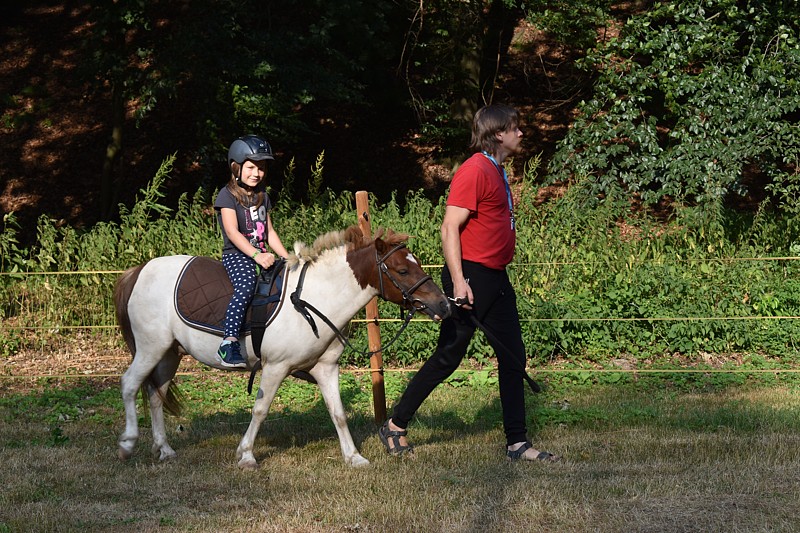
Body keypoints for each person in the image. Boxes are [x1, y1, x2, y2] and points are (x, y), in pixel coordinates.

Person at [379, 104, 560, 462]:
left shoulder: (497, 170)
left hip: (496, 277)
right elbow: (449, 227)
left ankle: (517, 443)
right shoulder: (475, 169)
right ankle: (396, 424)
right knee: (449, 356)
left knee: (513, 356)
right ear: (497, 134)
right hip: (472, 277)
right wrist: (460, 282)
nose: (520, 133)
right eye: (515, 128)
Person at [213, 134, 289, 368]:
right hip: (238, 255)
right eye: (251, 167)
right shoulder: (226, 196)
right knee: (246, 286)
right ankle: (228, 343)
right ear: (236, 167)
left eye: (261, 168)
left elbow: (269, 233)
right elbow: (233, 232)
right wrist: (256, 255)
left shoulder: (262, 196)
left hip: (263, 255)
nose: (257, 173)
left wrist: (288, 258)